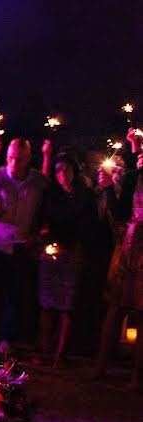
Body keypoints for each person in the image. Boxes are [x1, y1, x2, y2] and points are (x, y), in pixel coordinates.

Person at [0, 138, 49, 341]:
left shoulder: (38, 181)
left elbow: (44, 210)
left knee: (16, 297)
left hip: (21, 244)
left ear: (28, 159)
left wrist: (37, 235)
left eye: (19, 159)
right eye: (11, 158)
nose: (14, 163)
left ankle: (7, 344)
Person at [90, 139, 143, 390]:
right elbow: (121, 211)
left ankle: (136, 376)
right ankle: (101, 365)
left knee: (141, 314)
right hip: (128, 246)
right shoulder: (135, 176)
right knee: (113, 308)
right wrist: (112, 186)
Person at [34, 155, 96, 368]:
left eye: (67, 170)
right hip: (50, 252)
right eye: (58, 170)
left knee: (66, 307)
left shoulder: (84, 196)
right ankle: (44, 352)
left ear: (74, 172)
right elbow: (42, 220)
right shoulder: (51, 195)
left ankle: (60, 354)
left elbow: (87, 225)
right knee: (46, 304)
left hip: (71, 254)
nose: (63, 174)